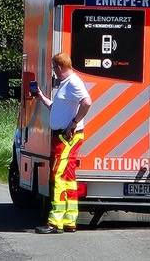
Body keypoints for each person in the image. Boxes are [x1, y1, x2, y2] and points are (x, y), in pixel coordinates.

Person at [32, 52, 93, 234]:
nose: (54, 71)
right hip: (63, 136)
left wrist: (73, 123)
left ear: (59, 67)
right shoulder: (66, 85)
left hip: (66, 138)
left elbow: (87, 102)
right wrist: (41, 98)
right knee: (68, 178)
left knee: (58, 177)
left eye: (54, 68)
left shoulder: (73, 82)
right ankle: (69, 220)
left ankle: (54, 222)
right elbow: (58, 109)